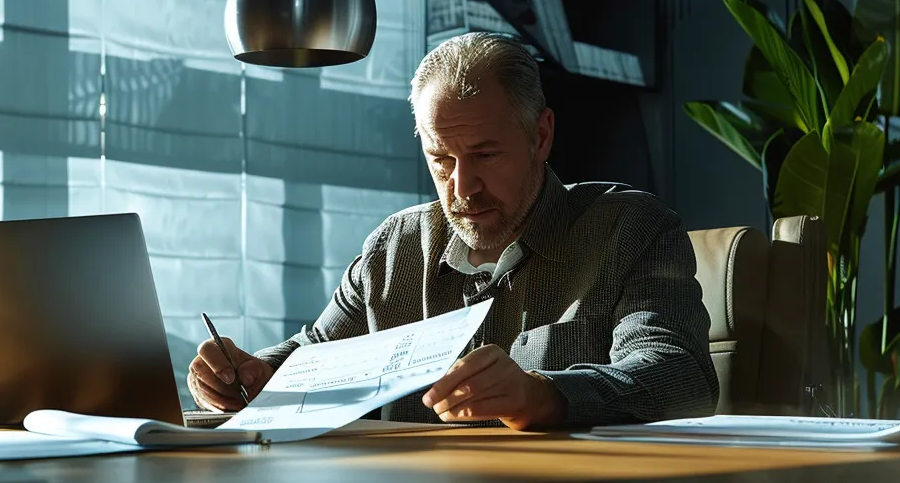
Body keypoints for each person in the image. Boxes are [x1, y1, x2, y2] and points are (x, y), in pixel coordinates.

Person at [187, 31, 718, 430]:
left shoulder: (630, 228)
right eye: (441, 160)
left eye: (485, 154)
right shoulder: (395, 250)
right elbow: (315, 352)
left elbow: (681, 377)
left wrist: (541, 396)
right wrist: (249, 378)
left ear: (541, 135)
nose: (462, 188)